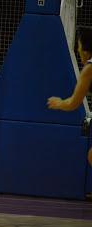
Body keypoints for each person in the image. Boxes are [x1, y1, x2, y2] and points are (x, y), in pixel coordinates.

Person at [48, 26, 92, 165]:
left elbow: (73, 103)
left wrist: (58, 102)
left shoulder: (89, 69)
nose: (78, 50)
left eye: (78, 46)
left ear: (85, 49)